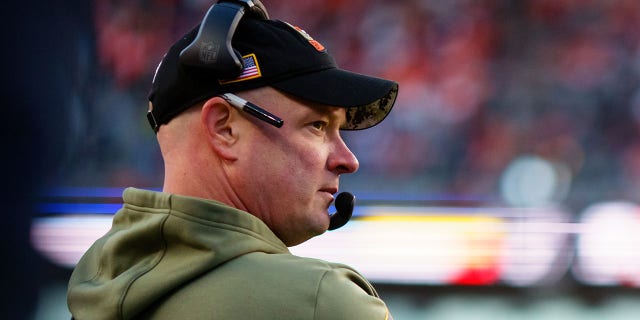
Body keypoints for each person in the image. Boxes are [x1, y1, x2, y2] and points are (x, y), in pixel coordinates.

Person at [67, 1, 398, 319]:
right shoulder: (324, 302)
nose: (348, 159)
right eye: (317, 126)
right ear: (224, 129)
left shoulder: (95, 285)